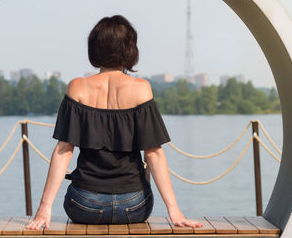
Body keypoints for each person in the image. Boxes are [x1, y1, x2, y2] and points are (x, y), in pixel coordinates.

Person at [26, 15, 203, 229]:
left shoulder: (78, 87)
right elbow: (154, 153)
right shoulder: (141, 89)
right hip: (134, 205)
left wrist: (44, 207)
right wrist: (174, 211)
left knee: (76, 191)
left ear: (94, 48)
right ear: (130, 50)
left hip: (84, 204)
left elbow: (63, 150)